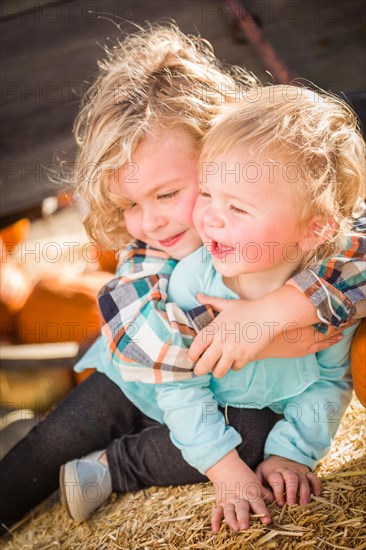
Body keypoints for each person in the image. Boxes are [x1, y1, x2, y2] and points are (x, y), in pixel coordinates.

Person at [0, 25, 364, 531]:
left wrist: (278, 313)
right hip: (141, 385)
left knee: (255, 438)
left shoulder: (292, 220)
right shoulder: (159, 265)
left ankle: (115, 465)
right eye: (130, 204)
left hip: (232, 402)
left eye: (169, 194)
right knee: (54, 442)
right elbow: (168, 368)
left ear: (220, 151)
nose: (150, 223)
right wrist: (280, 338)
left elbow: (353, 234)